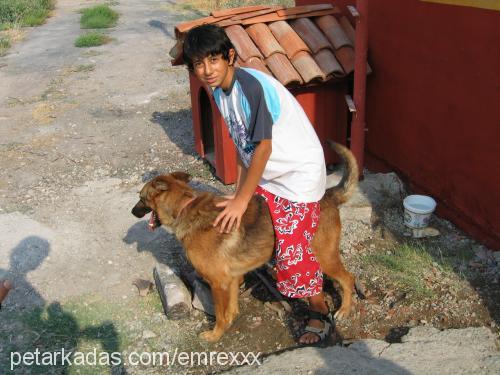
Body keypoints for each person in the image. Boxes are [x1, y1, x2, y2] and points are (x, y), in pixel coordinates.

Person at [183, 24, 332, 344]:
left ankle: (319, 308)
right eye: (198, 63)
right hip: (270, 172)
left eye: (213, 60)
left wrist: (240, 201)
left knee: (292, 247)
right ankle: (243, 271)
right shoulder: (220, 90)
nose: (206, 70)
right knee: (251, 224)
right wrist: (238, 192)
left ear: (230, 56)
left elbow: (262, 147)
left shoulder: (250, 88)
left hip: (297, 174)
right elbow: (242, 143)